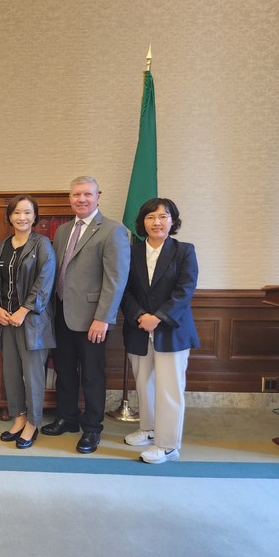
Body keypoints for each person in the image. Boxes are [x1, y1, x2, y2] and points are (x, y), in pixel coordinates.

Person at [41, 175, 130, 454]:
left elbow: (116, 279)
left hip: (93, 319)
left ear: (98, 196)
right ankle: (67, 418)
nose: (81, 199)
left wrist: (103, 318)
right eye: (76, 194)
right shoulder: (63, 230)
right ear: (70, 198)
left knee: (92, 375)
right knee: (65, 371)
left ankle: (92, 428)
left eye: (87, 194)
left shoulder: (113, 230)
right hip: (61, 314)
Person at [121, 198, 199, 464]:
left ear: (172, 221)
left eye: (163, 216)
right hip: (138, 328)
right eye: (150, 217)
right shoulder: (131, 252)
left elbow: (185, 290)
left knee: (169, 389)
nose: (157, 222)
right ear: (142, 222)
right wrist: (140, 316)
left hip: (172, 330)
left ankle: (167, 445)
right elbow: (124, 290)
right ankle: (148, 429)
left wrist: (158, 317)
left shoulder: (184, 251)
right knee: (144, 384)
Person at [0, 195, 56, 449]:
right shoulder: (1, 247)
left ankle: (33, 423)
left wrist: (24, 310)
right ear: (9, 217)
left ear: (35, 216)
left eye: (27, 212)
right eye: (17, 212)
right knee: (11, 373)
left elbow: (45, 282)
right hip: (6, 321)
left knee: (32, 376)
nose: (22, 217)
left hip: (33, 322)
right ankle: (18, 418)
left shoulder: (42, 244)